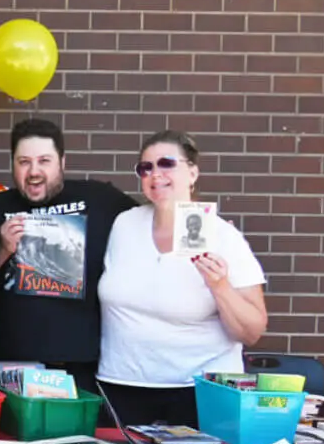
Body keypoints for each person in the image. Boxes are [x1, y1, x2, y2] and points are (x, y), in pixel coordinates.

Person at [97, 131, 267, 426]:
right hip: (121, 387)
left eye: (166, 164)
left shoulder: (223, 237)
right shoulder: (124, 225)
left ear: (192, 172)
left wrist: (219, 285)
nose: (155, 174)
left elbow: (252, 330)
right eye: (145, 168)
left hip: (196, 392)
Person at [0, 119, 135, 395]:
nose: (34, 172)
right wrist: (3, 248)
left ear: (62, 162)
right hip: (12, 363)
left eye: (44, 161)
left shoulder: (101, 199)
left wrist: (202, 229)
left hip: (81, 364)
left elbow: (151, 222)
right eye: (24, 162)